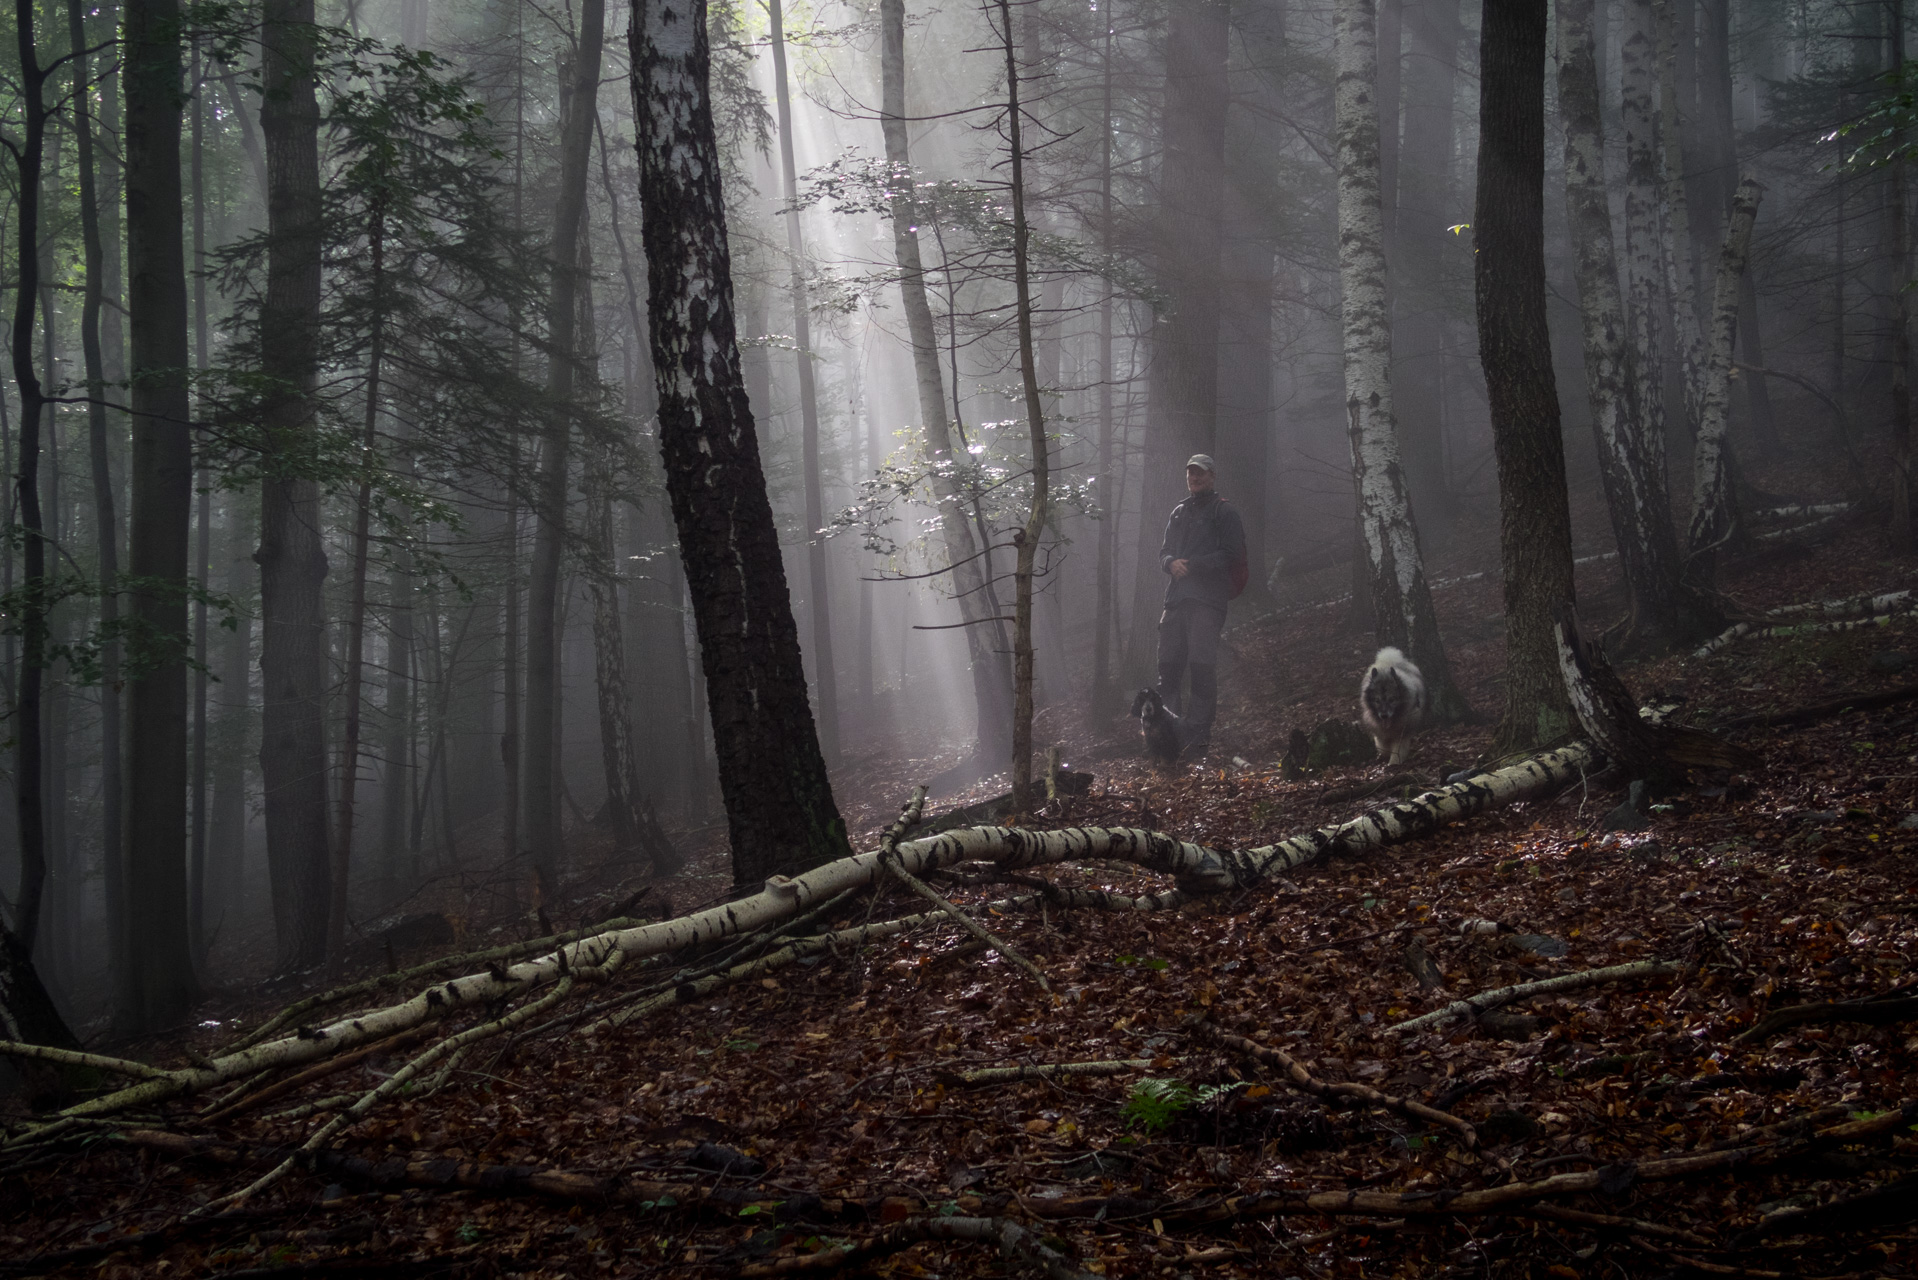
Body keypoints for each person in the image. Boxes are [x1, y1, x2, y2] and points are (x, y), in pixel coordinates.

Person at [1155, 454, 1246, 758]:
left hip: (1208, 602)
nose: (1194, 477)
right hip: (1176, 601)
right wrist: (1170, 563)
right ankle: (1167, 736)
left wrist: (1194, 565)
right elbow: (1164, 552)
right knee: (1167, 668)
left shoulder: (1225, 512)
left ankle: (1196, 740)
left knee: (1201, 666)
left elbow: (1234, 554)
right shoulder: (1178, 512)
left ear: (1212, 476)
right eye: (1190, 473)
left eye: (1200, 473)